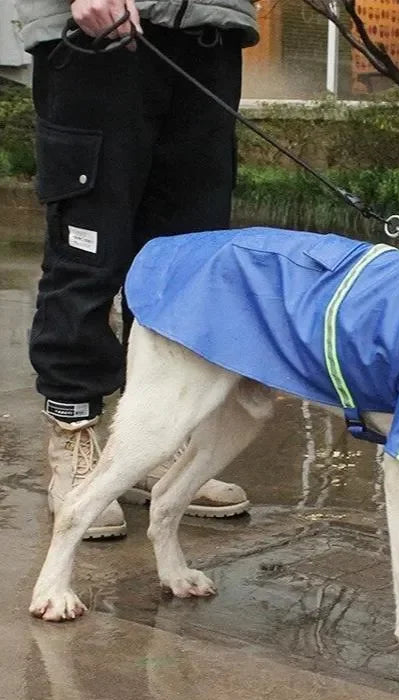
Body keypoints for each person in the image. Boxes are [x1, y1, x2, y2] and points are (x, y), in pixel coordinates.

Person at [16, 0, 259, 539]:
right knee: (87, 255)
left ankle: (152, 443)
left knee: (184, 267)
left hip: (209, 37)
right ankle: (72, 429)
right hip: (94, 36)